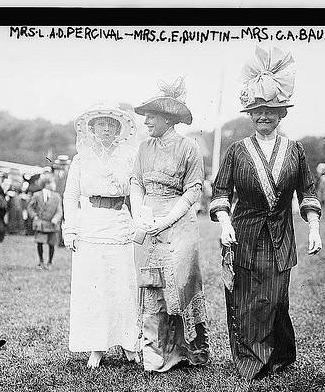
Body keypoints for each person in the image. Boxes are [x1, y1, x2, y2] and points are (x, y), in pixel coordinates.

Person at [210, 46, 322, 380]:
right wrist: (224, 222)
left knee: (275, 300)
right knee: (246, 300)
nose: (264, 116)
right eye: (257, 109)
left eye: (271, 110)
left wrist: (314, 228)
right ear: (249, 112)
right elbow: (220, 192)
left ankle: (280, 357)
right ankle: (250, 361)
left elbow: (307, 191)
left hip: (280, 236)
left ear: (281, 113)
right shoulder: (237, 150)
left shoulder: (295, 150)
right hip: (243, 235)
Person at [130, 78, 210, 372]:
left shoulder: (189, 147)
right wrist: (140, 212)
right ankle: (154, 353)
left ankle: (189, 351)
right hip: (148, 223)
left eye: (152, 115)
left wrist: (166, 219)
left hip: (178, 223)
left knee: (181, 282)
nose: (147, 121)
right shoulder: (143, 148)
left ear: (168, 118)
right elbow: (136, 182)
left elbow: (192, 189)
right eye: (146, 115)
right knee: (152, 285)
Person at [62, 102, 141, 367]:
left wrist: (141, 223)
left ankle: (129, 343)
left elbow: (137, 192)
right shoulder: (81, 158)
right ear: (92, 128)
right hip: (90, 225)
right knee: (94, 287)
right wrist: (70, 228)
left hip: (119, 224)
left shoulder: (129, 156)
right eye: (101, 124)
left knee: (123, 285)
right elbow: (71, 195)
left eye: (111, 124)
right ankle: (97, 345)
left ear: (118, 128)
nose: (106, 128)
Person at [27, 173, 63, 269]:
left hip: (52, 224)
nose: (54, 185)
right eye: (52, 182)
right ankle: (41, 261)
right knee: (40, 242)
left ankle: (50, 262)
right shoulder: (37, 195)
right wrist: (34, 216)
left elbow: (59, 211)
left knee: (52, 244)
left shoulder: (57, 197)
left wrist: (56, 218)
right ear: (46, 184)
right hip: (41, 224)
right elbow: (30, 207)